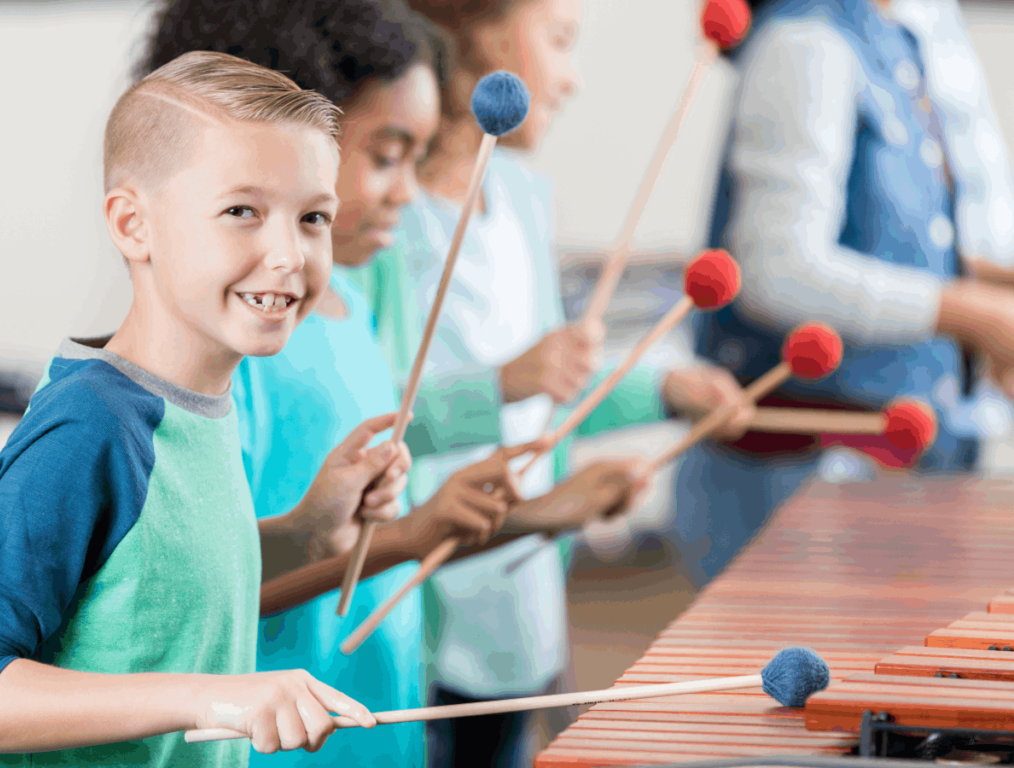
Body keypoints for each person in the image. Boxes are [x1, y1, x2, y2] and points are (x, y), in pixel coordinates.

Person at [139, 2, 650, 765]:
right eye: (385, 155)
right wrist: (412, 534)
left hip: (380, 723)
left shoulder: (347, 308)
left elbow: (379, 512)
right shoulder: (220, 356)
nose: (407, 193)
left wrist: (539, 513)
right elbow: (203, 598)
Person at [348, 0, 757, 763]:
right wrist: (500, 383)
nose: (571, 79)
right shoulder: (380, 223)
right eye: (561, 42)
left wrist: (664, 393)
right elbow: (367, 425)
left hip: (524, 591)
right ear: (480, 32)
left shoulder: (525, 201)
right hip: (415, 601)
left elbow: (548, 396)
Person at [0, 51, 414, 765]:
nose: (288, 254)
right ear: (133, 226)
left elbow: (153, 595)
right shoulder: (90, 428)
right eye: (242, 211)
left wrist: (308, 531)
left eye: (313, 217)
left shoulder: (204, 404)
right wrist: (209, 698)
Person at [676, 0, 1014, 587]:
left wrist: (989, 289)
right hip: (794, 484)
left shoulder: (893, 38)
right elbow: (776, 270)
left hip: (890, 474)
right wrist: (976, 315)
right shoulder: (807, 42)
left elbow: (893, 242)